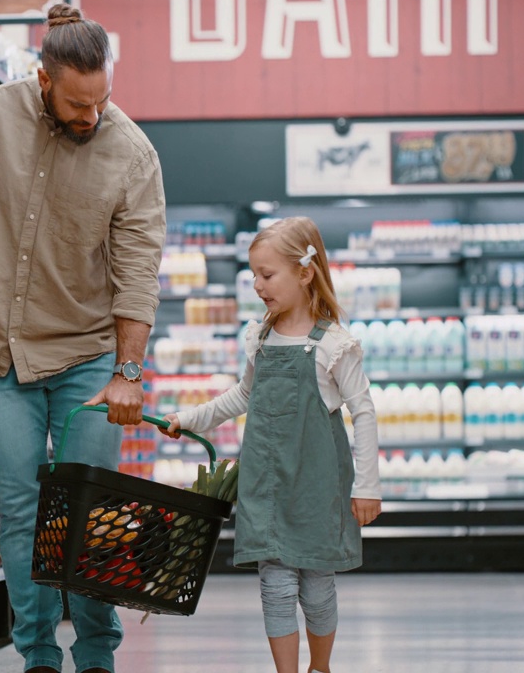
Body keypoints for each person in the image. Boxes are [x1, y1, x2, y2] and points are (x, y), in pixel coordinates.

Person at [0, 3, 166, 673]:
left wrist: (130, 371)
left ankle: (95, 656)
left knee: (85, 512)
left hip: (88, 359)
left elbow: (138, 275)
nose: (92, 116)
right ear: (43, 81)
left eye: (102, 101)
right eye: (78, 103)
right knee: (24, 514)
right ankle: (37, 658)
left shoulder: (133, 154)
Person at [159, 216, 382, 673]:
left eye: (267, 275)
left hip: (317, 489)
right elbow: (244, 395)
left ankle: (320, 668)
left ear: (305, 273)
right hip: (265, 486)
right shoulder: (259, 337)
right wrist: (189, 419)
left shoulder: (334, 346)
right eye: (254, 275)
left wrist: (367, 487)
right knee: (274, 587)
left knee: (317, 590)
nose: (258, 286)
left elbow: (364, 412)